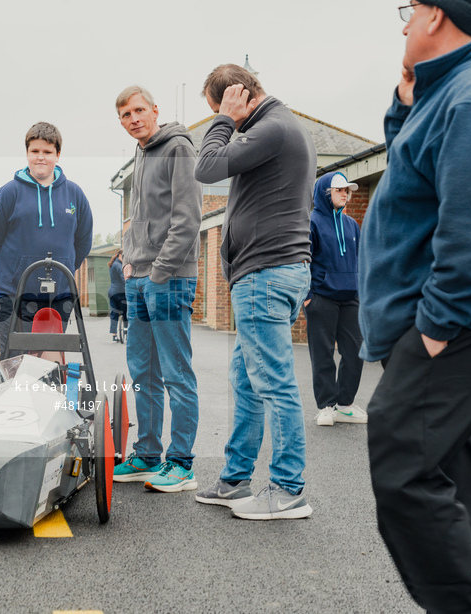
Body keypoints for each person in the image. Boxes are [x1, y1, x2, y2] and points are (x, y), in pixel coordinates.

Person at [359, 2, 471, 612]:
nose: (404, 24)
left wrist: (428, 334)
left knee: (401, 463)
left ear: (437, 15)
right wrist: (404, 107)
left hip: (456, 326)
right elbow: (416, 183)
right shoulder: (454, 92)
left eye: (409, 10)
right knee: (452, 492)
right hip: (450, 324)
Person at [193, 65, 317, 519]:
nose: (226, 121)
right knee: (248, 382)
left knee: (274, 383)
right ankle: (236, 480)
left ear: (238, 95)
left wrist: (222, 120)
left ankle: (288, 490)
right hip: (269, 273)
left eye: (221, 107)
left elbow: (206, 168)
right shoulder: (276, 128)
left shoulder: (273, 127)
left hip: (266, 275)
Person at [113, 86, 201, 493]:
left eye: (138, 110)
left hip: (168, 278)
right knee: (143, 373)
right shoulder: (142, 151)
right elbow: (140, 216)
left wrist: (161, 271)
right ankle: (148, 455)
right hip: (139, 277)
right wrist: (130, 260)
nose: (133, 118)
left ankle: (181, 463)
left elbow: (188, 218)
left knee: (175, 373)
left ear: (154, 111)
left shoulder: (177, 147)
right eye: (125, 114)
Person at [0, 122, 93, 357]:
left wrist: (65, 270)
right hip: (12, 293)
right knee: (14, 361)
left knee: (51, 361)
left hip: (58, 295)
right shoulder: (8, 193)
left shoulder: (75, 194)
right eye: (35, 151)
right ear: (27, 154)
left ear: (58, 155)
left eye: (47, 152)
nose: (40, 158)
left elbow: (83, 242)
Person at [305, 171, 366, 427]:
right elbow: (302, 260)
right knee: (323, 354)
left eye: (347, 190)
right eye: (340, 190)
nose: (345, 194)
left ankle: (344, 404)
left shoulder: (352, 225)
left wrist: (361, 292)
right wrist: (308, 297)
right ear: (325, 193)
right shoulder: (312, 222)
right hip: (322, 298)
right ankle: (325, 406)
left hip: (350, 298)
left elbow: (361, 261)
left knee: (355, 352)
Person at [108, 250, 126, 342]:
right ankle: (126, 330)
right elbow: (123, 277)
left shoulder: (113, 264)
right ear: (119, 255)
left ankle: (114, 335)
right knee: (125, 312)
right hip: (120, 293)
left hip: (112, 292)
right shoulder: (119, 265)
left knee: (114, 313)